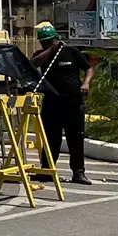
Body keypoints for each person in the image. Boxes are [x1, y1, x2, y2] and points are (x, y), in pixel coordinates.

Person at [31, 21, 95, 184]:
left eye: (50, 41)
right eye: (45, 43)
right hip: (53, 103)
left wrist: (86, 83)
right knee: (51, 139)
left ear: (56, 38)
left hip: (74, 103)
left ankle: (78, 172)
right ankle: (46, 170)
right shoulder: (42, 55)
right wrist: (50, 50)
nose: (48, 44)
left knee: (76, 138)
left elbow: (88, 68)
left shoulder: (71, 52)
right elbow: (33, 65)